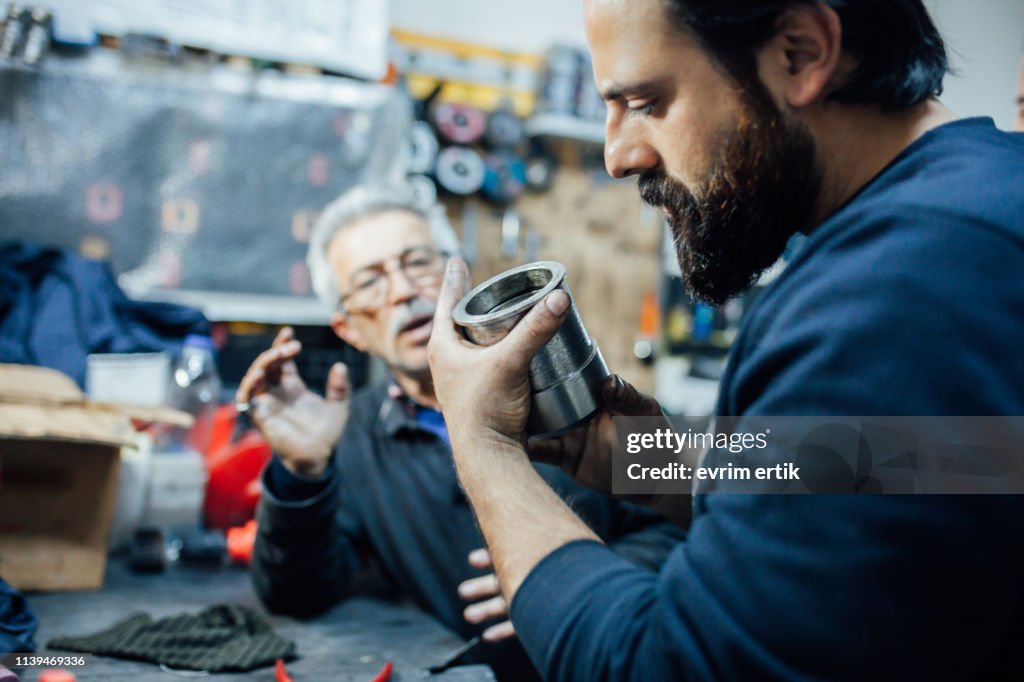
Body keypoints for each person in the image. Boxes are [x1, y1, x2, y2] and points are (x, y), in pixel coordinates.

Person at [426, 1, 1024, 680]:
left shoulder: (890, 292)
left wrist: (485, 448)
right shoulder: (981, 212)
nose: (619, 156)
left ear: (799, 53)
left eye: (646, 101)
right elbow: (939, 466)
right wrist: (648, 460)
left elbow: (668, 668)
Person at [236, 181, 684, 681]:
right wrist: (302, 473)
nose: (404, 290)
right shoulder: (354, 439)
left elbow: (690, 520)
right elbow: (295, 594)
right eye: (370, 282)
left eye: (418, 262)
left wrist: (572, 574)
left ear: (457, 272)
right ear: (349, 330)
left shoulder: (572, 388)